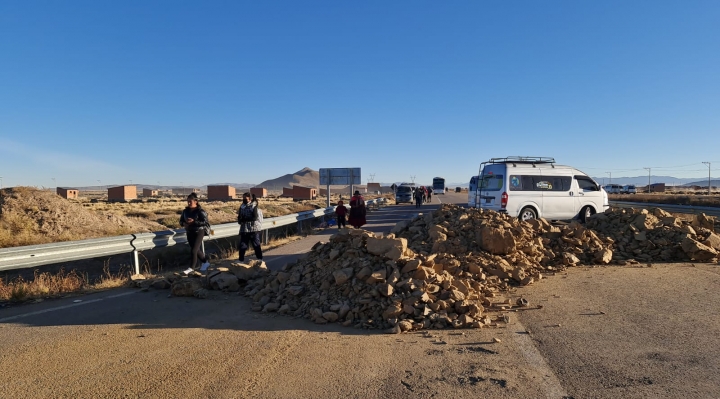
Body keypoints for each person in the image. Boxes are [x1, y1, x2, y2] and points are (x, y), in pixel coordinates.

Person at [179, 193, 211, 274]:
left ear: (196, 201)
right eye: (188, 201)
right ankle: (205, 262)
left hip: (199, 231)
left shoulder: (200, 211)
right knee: (196, 250)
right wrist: (184, 224)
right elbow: (181, 221)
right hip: (189, 232)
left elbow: (205, 222)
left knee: (194, 250)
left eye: (190, 201)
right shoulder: (185, 211)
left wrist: (194, 222)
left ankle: (191, 268)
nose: (189, 203)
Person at [237, 192, 264, 263]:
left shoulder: (254, 206)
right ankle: (241, 260)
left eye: (245, 198)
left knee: (256, 244)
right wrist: (240, 220)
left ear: (249, 198)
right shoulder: (242, 206)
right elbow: (239, 216)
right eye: (243, 198)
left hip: (254, 228)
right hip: (244, 228)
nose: (244, 199)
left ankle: (260, 259)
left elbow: (254, 217)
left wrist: (245, 219)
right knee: (243, 245)